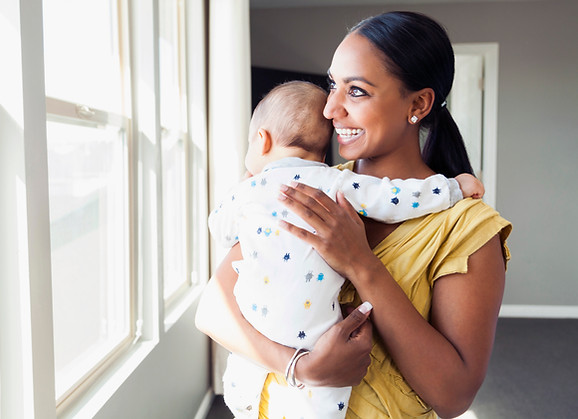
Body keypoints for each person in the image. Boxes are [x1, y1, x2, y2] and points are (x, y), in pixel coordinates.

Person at [196, 11, 512, 419]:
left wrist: (361, 264)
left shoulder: (467, 228)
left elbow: (453, 398)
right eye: (333, 85)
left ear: (418, 104)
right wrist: (301, 367)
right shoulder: (304, 186)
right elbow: (214, 311)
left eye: (357, 91)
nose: (330, 109)